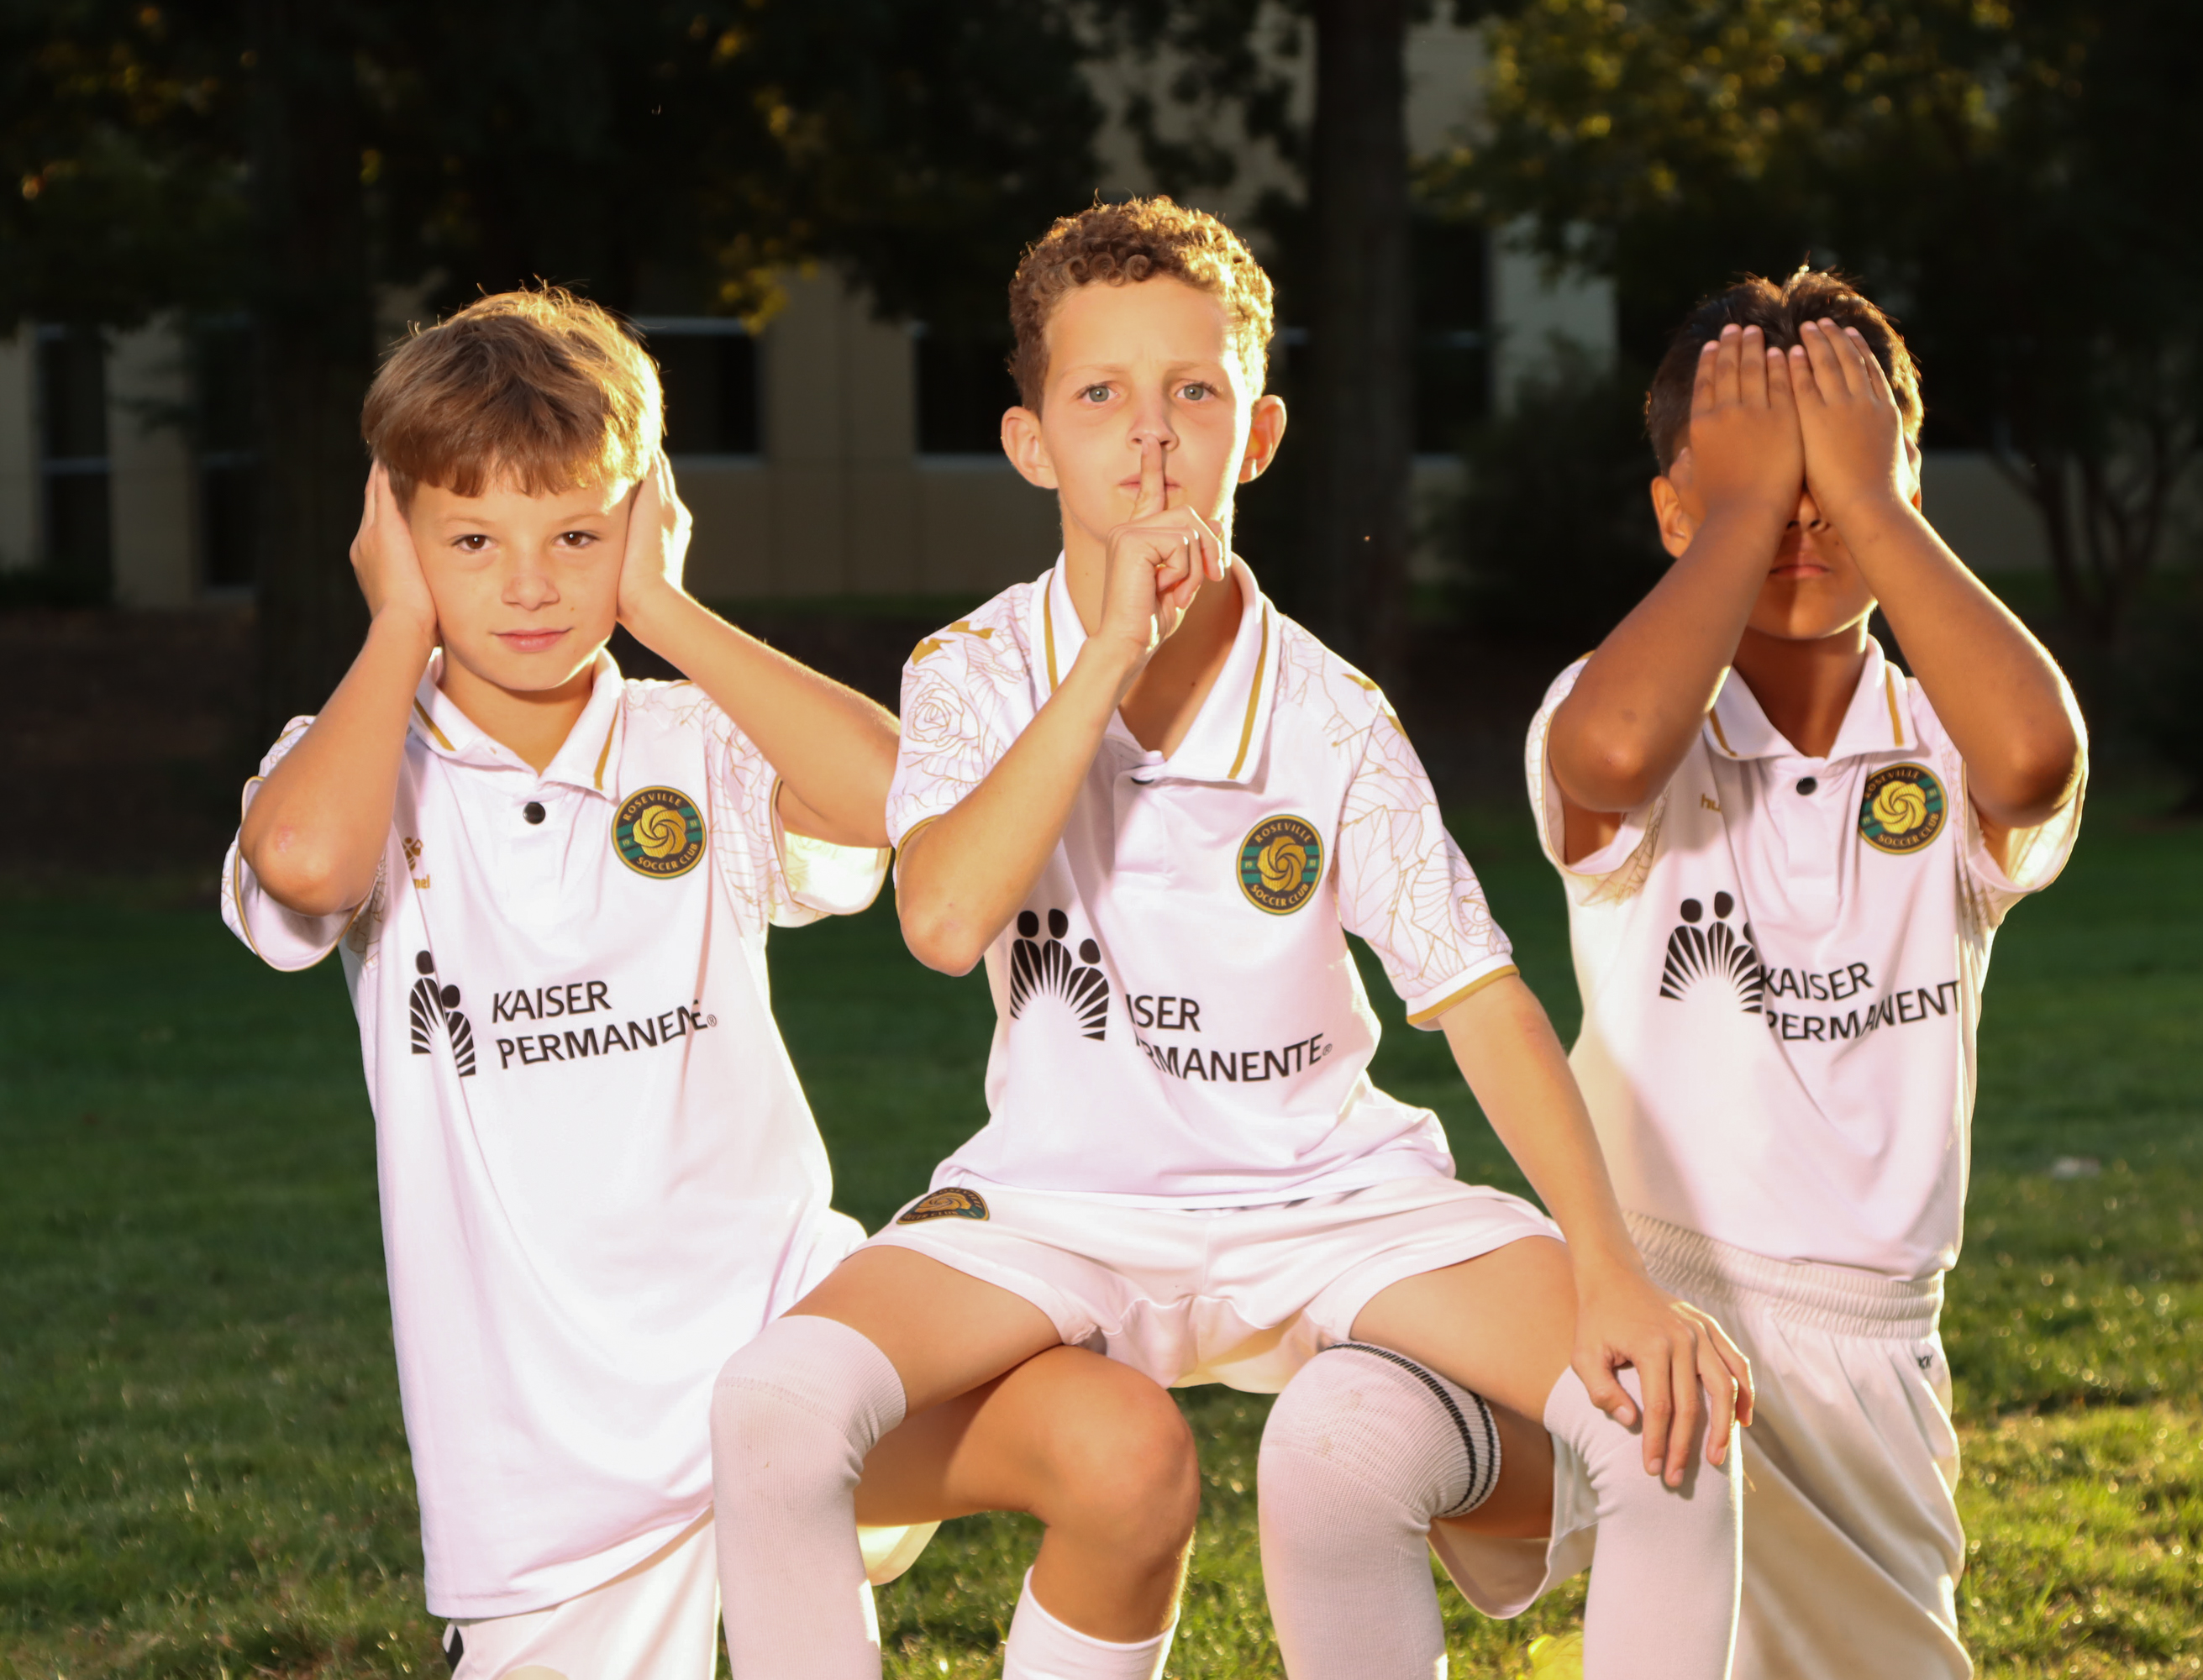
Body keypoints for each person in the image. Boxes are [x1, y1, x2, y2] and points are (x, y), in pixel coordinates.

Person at [708, 196, 1752, 1680]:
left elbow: (1482, 1000)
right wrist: (1108, 654)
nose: (1149, 438)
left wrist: (1612, 1271)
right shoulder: (971, 670)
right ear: (1030, 444)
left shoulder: (1334, 715)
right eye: (1100, 396)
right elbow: (941, 918)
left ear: (1256, 436)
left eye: (1192, 393)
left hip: (1331, 1199)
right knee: (774, 1407)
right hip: (1060, 1207)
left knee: (1669, 1421)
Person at [223, 287, 1197, 1680]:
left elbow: (897, 796)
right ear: (396, 534)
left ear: (643, 517)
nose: (529, 585)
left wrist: (664, 609)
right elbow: (308, 864)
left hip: (790, 1347)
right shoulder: (362, 761)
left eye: (576, 537)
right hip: (554, 1472)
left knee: (1124, 1449)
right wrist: (393, 626)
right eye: (472, 542)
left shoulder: (700, 738)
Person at [1270, 268, 2087, 1677]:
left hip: (1854, 1350)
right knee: (1338, 1444)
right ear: (1673, 515)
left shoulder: (1945, 730)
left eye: (1833, 478)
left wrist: (1865, 499)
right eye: (1756, 485)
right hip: (1623, 1301)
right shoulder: (1620, 707)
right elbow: (1611, 756)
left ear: (1901, 485)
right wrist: (1752, 506)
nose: (1800, 516)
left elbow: (2035, 763)